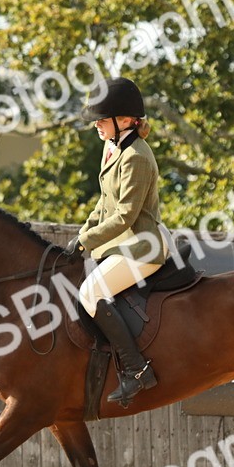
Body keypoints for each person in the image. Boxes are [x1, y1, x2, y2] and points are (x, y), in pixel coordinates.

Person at [65, 77, 166, 406]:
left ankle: (137, 370)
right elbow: (104, 203)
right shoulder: (114, 149)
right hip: (122, 244)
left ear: (124, 120)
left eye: (102, 118)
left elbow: (124, 215)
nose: (96, 124)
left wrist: (86, 242)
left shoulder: (136, 156)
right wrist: (83, 232)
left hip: (142, 247)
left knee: (91, 293)